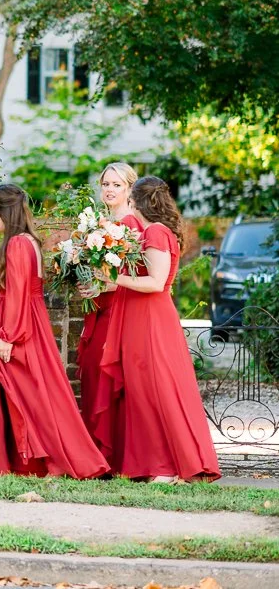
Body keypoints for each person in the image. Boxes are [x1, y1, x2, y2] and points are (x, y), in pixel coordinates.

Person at [0, 184, 109, 478]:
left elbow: (17, 293)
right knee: (36, 392)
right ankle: (26, 460)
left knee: (33, 394)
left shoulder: (17, 244)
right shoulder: (28, 241)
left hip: (19, 324)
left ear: (5, 211)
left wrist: (9, 336)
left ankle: (57, 458)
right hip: (29, 320)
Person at [95, 177, 221, 482]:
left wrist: (112, 277)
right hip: (140, 315)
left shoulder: (155, 232)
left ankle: (168, 465)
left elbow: (155, 282)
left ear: (136, 202)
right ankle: (152, 463)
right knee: (142, 389)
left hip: (151, 318)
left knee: (156, 389)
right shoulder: (154, 232)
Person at [76, 162, 143, 471]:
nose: (110, 190)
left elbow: (133, 273)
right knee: (91, 371)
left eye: (117, 185)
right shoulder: (97, 224)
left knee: (109, 377)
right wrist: (85, 281)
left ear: (129, 188)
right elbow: (98, 269)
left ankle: (115, 458)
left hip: (119, 310)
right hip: (99, 309)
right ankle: (96, 456)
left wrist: (103, 286)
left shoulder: (131, 224)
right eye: (106, 184)